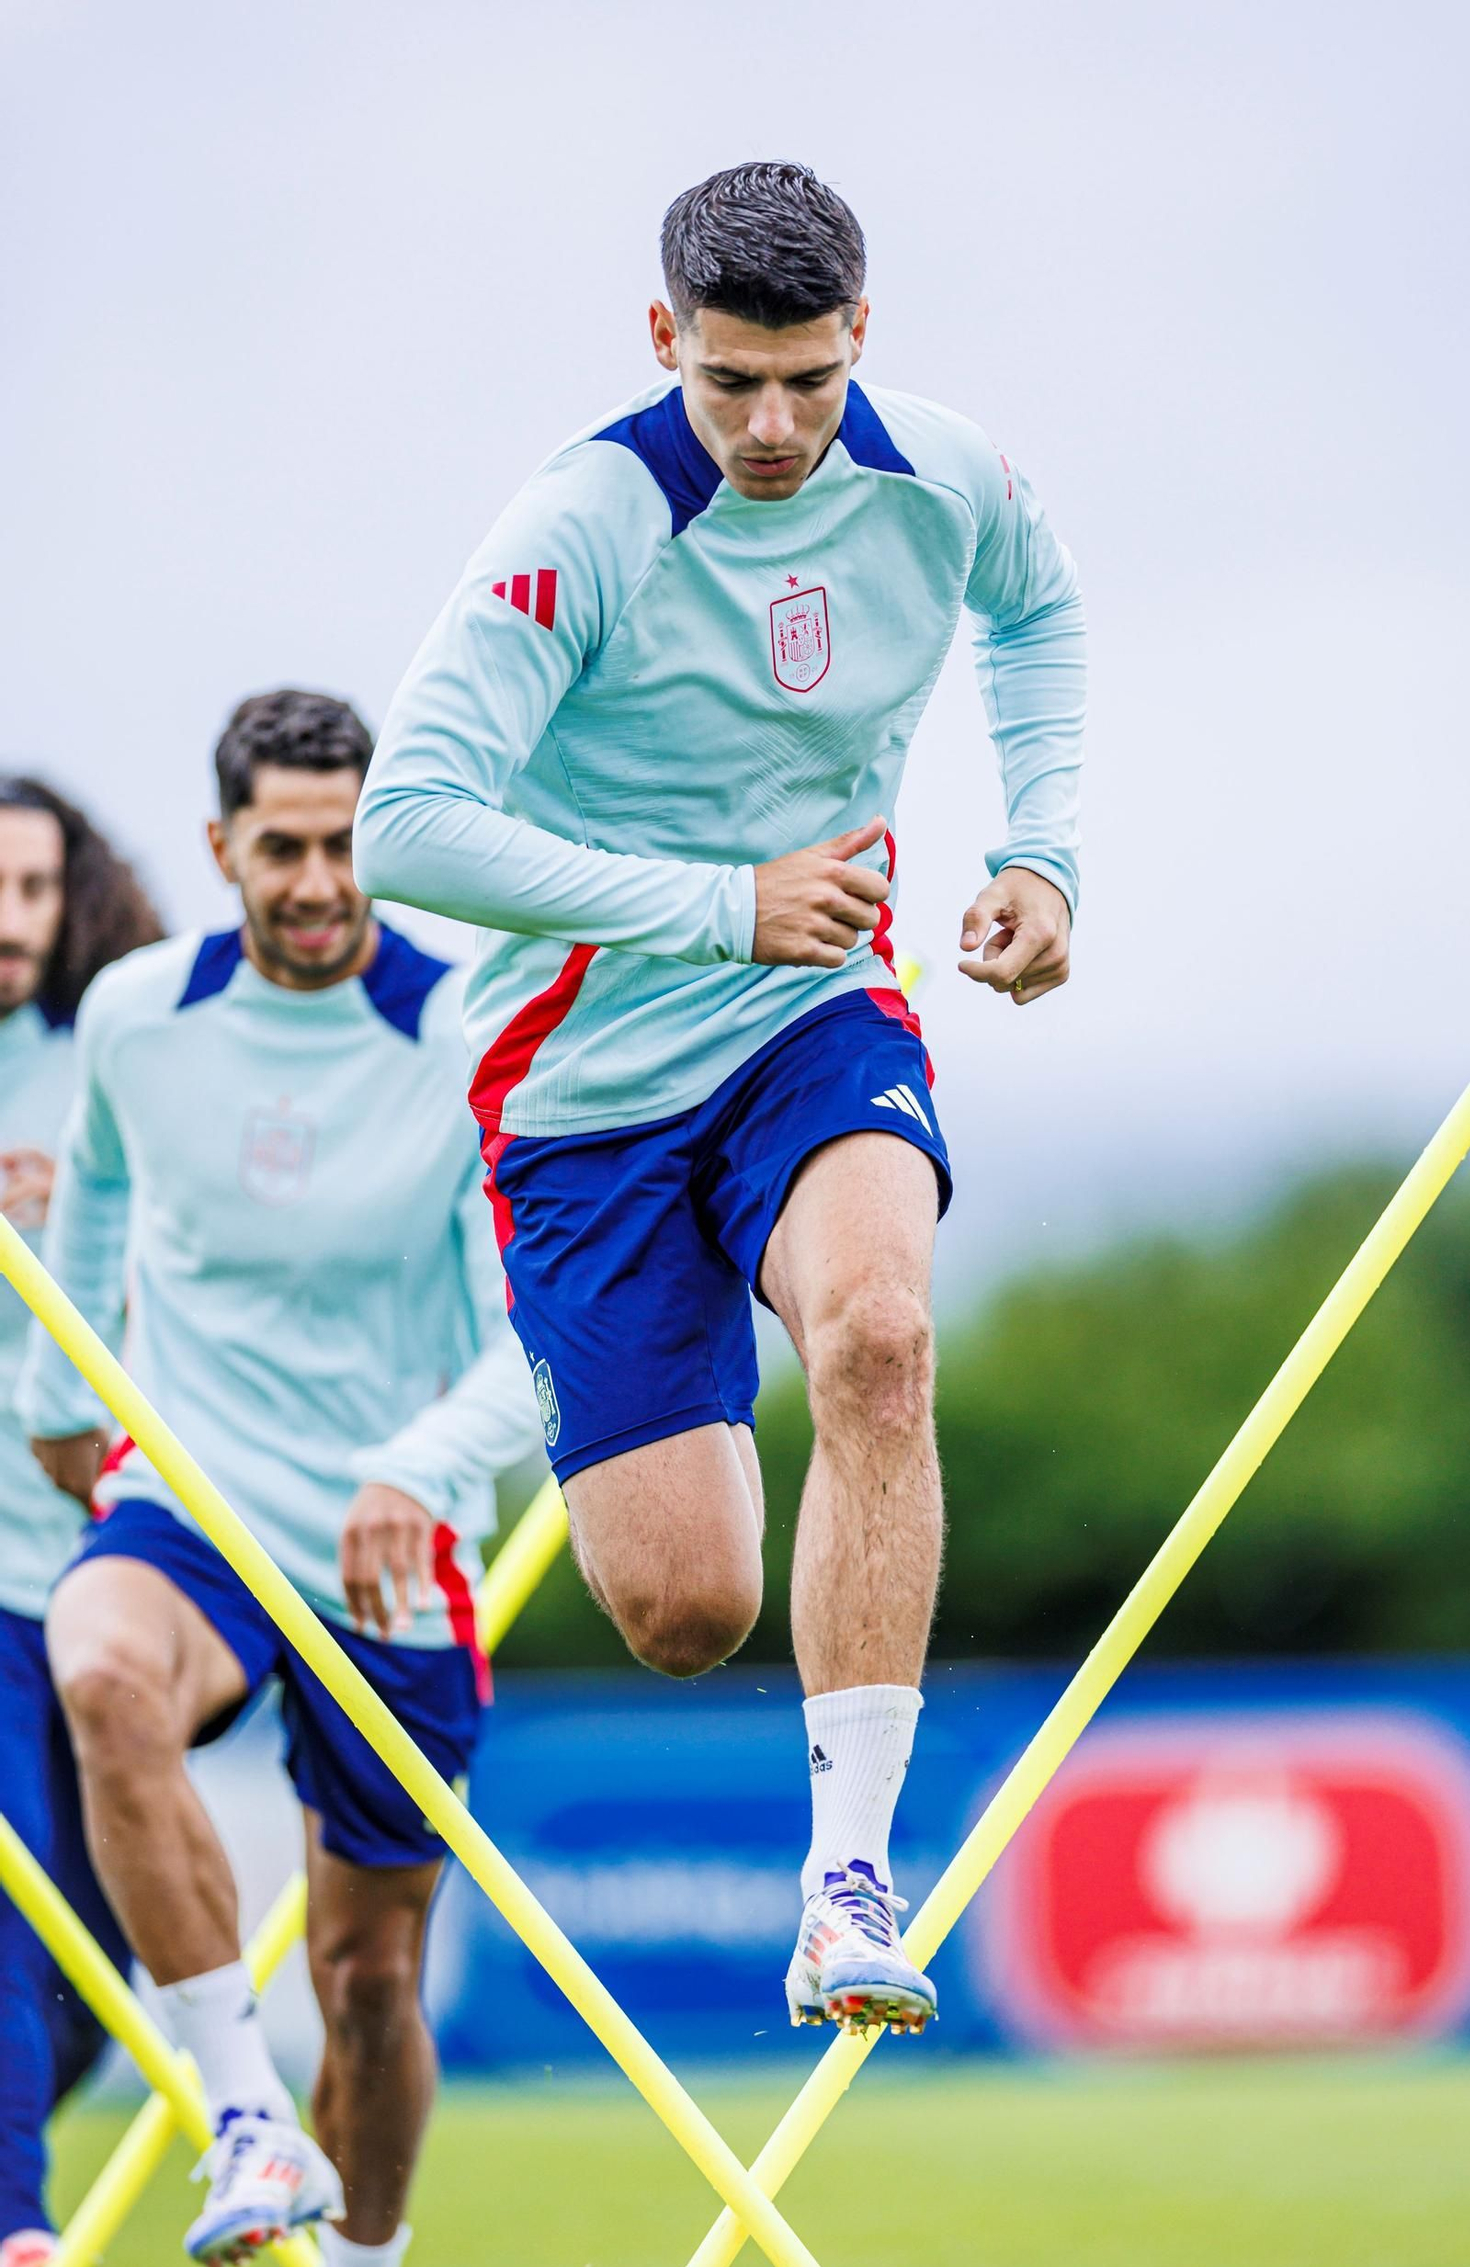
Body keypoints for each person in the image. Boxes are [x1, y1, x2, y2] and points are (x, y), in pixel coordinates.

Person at [355, 161, 1085, 2038]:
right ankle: (665, 1358)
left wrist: (1045, 854)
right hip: (580, 1088)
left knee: (881, 1336)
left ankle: (848, 1880)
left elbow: (1041, 613)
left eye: (811, 383)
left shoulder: (947, 478)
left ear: (865, 340)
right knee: (687, 1612)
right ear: (663, 338)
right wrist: (716, 903)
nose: (773, 428)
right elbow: (405, 826)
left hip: (815, 1017)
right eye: (732, 382)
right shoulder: (577, 525)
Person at [19, 692, 541, 2267]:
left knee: (371, 1976)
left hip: (397, 1548)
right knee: (98, 1664)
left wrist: (423, 1463)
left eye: (349, 845)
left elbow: (539, 1334)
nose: (320, 882)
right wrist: (57, 1381)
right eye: (286, 848)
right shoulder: (134, 1016)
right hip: (192, 1495)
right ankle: (242, 2116)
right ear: (224, 846)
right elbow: (95, 1198)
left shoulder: (478, 1028)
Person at [0, 776, 164, 2267]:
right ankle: (13, 2247)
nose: (6, 915)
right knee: (5, 1905)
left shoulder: (121, 1058)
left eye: (33, 886)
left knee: (111, 1961)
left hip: (110, 1571)